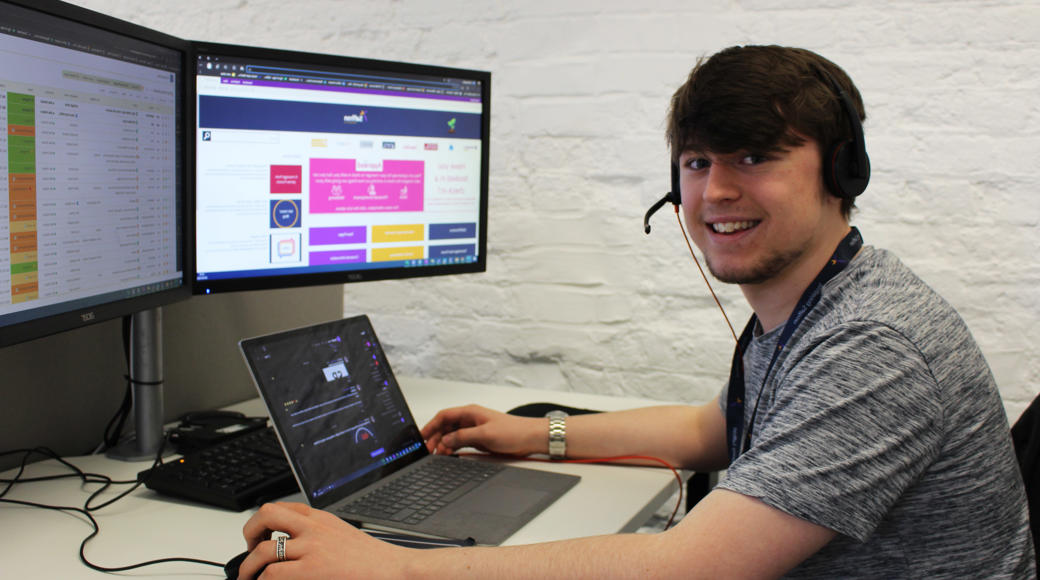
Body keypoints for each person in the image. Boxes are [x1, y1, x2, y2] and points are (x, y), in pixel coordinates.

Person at [237, 45, 1035, 578]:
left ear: (841, 171)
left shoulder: (873, 344)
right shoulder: (821, 301)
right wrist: (535, 434)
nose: (716, 192)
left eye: (755, 157)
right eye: (698, 162)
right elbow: (711, 428)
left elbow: (691, 566)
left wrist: (394, 567)